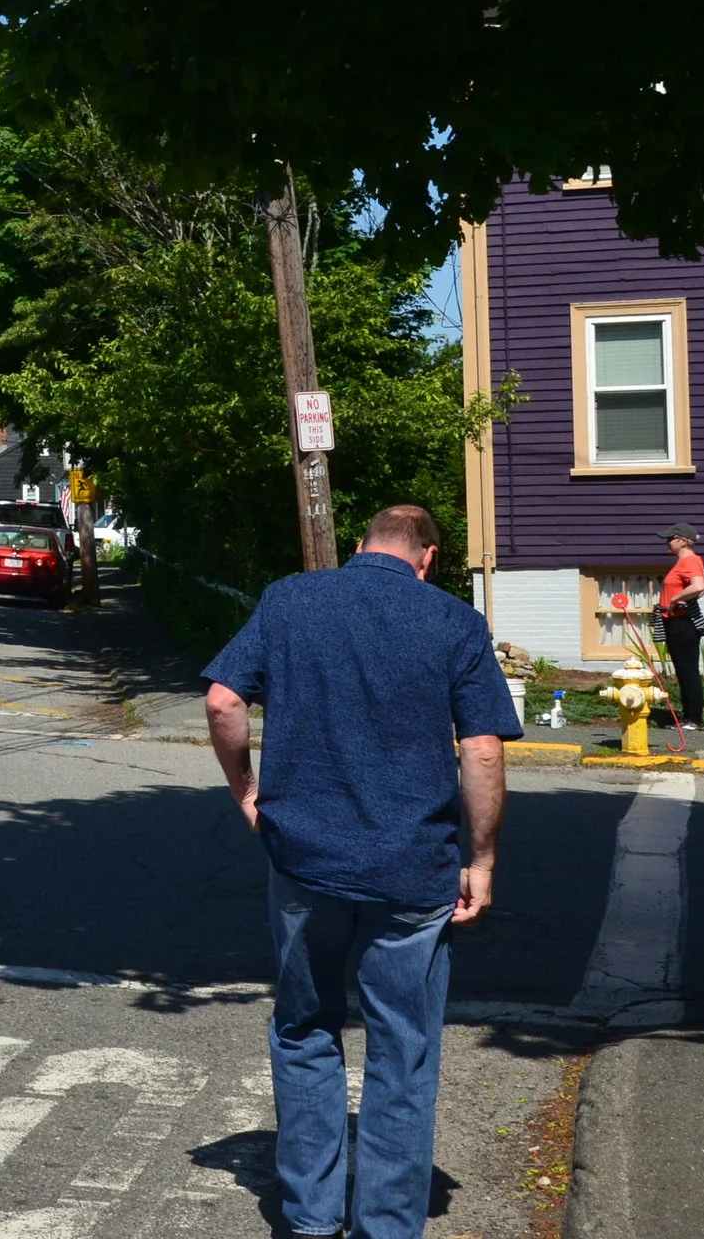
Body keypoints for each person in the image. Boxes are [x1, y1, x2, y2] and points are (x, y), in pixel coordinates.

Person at [201, 504, 519, 1239]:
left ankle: (311, 1218)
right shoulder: (454, 623)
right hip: (414, 871)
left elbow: (222, 701)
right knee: (402, 1048)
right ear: (429, 557)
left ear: (359, 545)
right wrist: (482, 858)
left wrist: (246, 790)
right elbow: (483, 753)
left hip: (306, 861)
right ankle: (386, 1225)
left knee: (305, 1028)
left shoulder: (289, 599)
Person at [655, 522, 704, 731]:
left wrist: (675, 598)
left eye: (671, 539)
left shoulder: (689, 560)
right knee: (683, 670)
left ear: (683, 541)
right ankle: (689, 718)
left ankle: (694, 720)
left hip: (682, 622)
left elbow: (699, 585)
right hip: (675, 621)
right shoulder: (687, 562)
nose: (667, 543)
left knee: (688, 671)